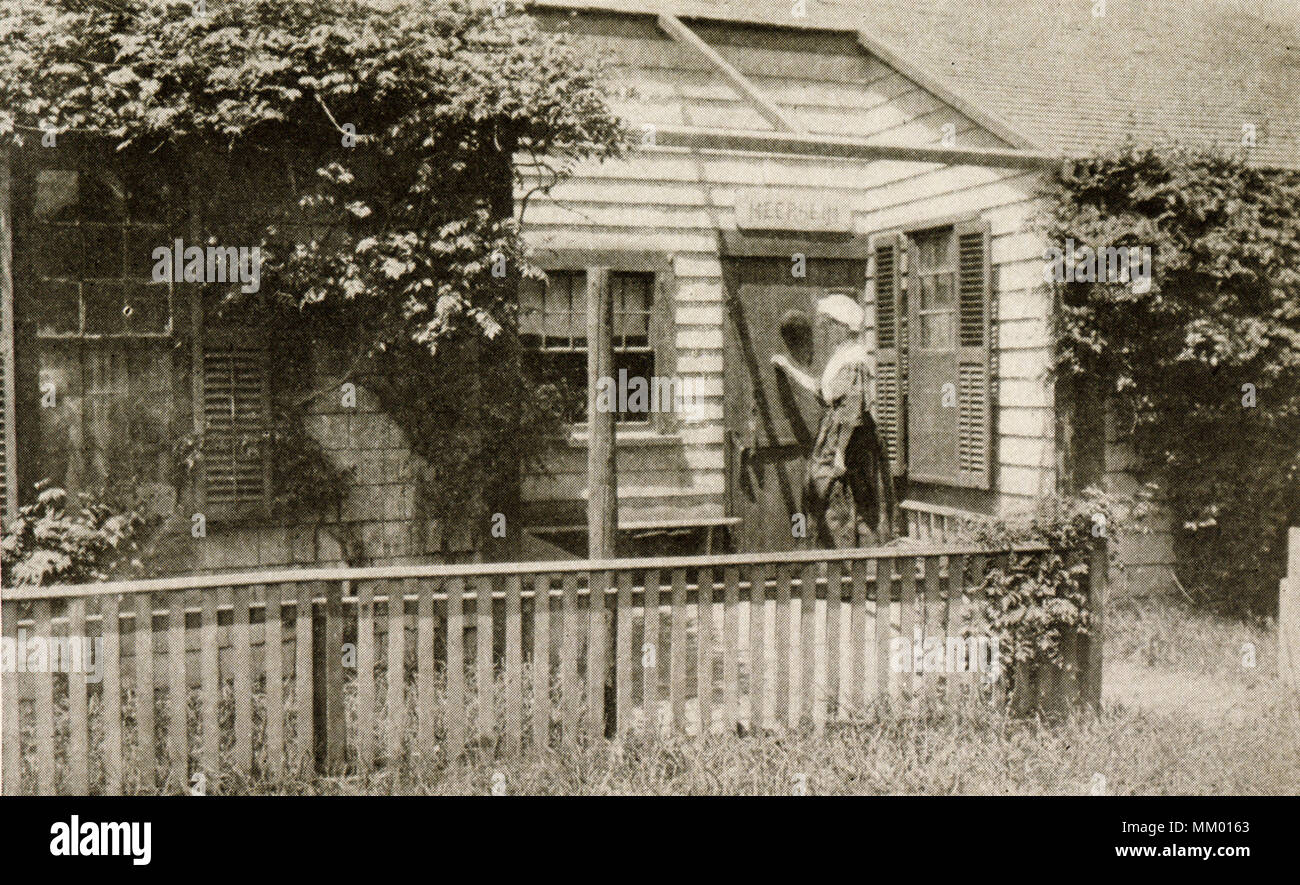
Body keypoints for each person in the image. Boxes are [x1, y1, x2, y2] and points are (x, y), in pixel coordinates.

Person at [771, 293, 896, 548]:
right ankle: (833, 568)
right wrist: (788, 367)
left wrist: (839, 453)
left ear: (840, 327)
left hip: (853, 443)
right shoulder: (842, 356)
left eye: (828, 325)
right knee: (827, 499)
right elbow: (824, 393)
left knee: (850, 506)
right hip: (838, 436)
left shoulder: (854, 359)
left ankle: (859, 572)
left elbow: (851, 410)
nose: (824, 331)